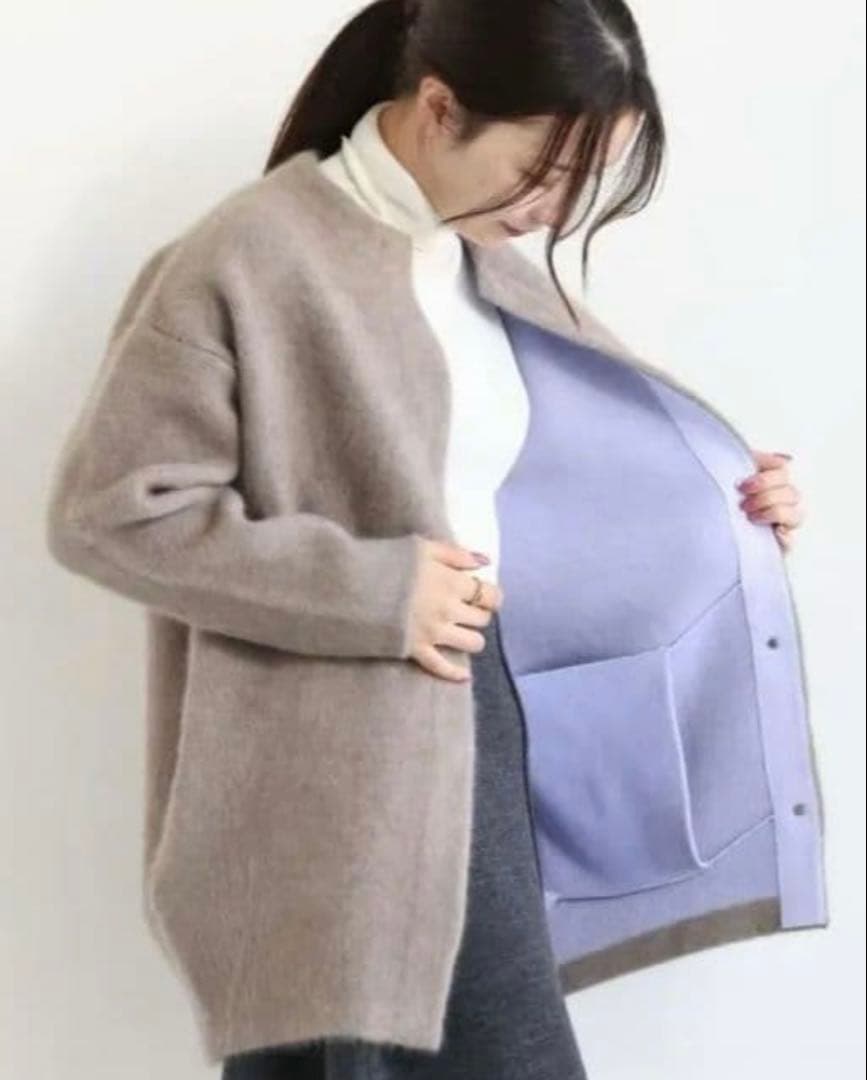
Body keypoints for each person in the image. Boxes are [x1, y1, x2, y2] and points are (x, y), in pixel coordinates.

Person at [46, 1, 815, 1077]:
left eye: (585, 183)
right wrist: (374, 591)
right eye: (542, 172)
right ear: (441, 108)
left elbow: (554, 485)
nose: (553, 213)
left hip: (487, 721)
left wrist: (728, 500)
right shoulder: (249, 256)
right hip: (338, 763)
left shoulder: (480, 262)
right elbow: (112, 514)